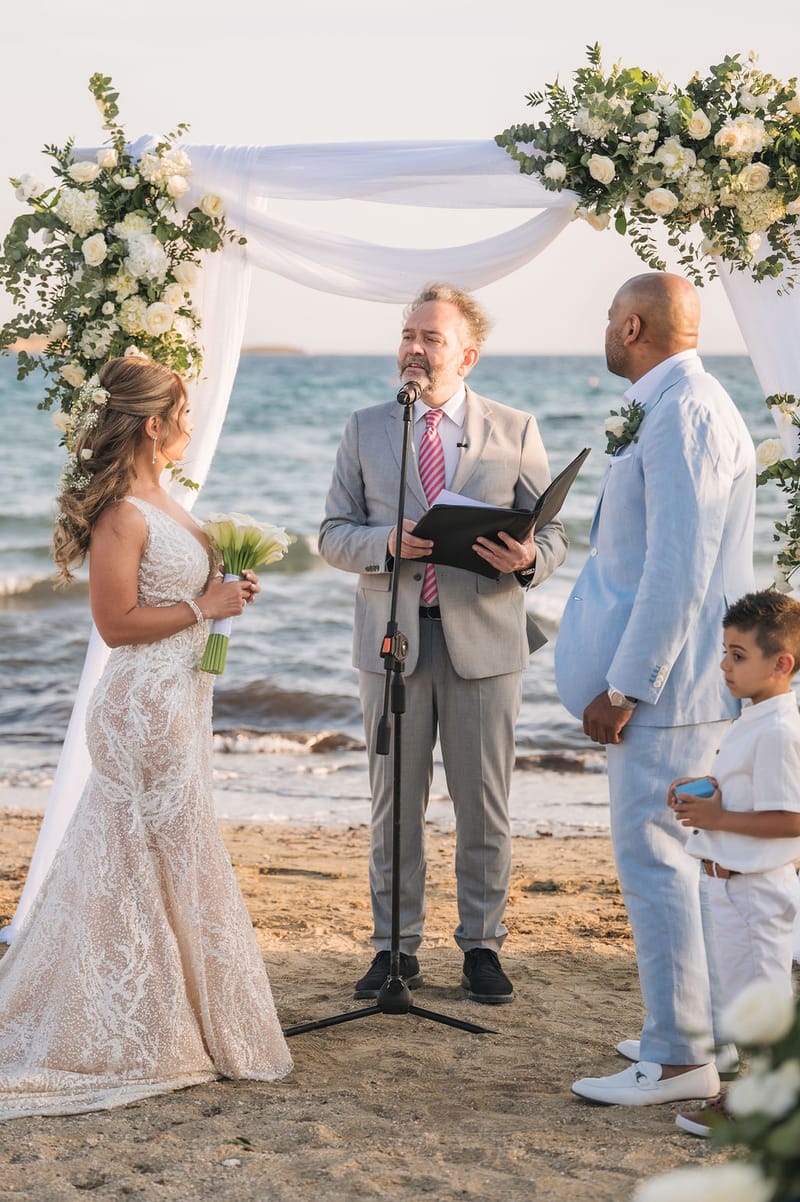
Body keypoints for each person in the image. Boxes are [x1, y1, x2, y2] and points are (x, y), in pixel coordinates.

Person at [0, 356, 292, 1120]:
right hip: (145, 707)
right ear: (153, 423)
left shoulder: (166, 496)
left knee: (156, 855)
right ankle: (137, 1023)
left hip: (181, 698)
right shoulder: (123, 511)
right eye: (183, 414)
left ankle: (175, 1009)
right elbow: (116, 622)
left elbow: (185, 596)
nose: (191, 427)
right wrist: (206, 606)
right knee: (150, 854)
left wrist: (224, 593)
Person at [319, 283, 568, 1004]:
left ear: (468, 354)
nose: (414, 348)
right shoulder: (366, 427)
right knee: (393, 805)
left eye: (430, 337)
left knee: (482, 804)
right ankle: (394, 948)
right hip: (391, 646)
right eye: (407, 334)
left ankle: (482, 947)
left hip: (485, 644)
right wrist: (384, 543)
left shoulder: (515, 429)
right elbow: (333, 535)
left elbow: (551, 534)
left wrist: (527, 561)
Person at [554, 272, 756, 1105]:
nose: (606, 332)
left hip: (668, 695)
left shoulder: (687, 412)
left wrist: (628, 686)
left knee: (658, 861)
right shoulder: (673, 406)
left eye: (609, 319)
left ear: (632, 326)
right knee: (684, 858)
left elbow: (680, 569)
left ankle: (677, 1061)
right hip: (680, 687)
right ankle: (699, 1033)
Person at [670, 591, 800, 1136]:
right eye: (725, 651)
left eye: (738, 655)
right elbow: (750, 794)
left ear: (781, 663)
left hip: (754, 890)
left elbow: (793, 818)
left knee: (761, 1004)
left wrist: (717, 818)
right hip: (729, 885)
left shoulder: (778, 731)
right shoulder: (754, 717)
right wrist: (706, 797)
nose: (724, 665)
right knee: (745, 1000)